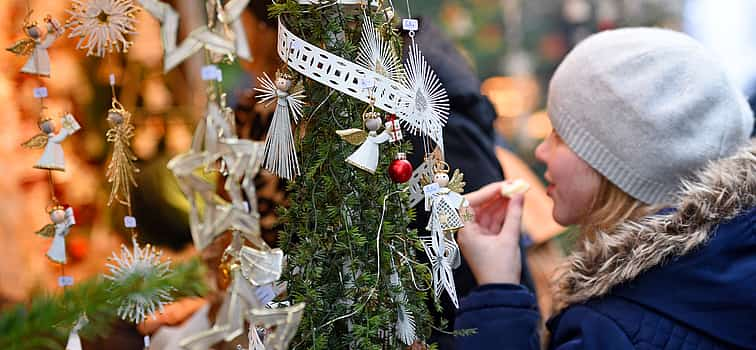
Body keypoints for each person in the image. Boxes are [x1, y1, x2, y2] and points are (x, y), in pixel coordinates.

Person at [454, 27, 755, 349]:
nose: (541, 152)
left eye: (561, 135)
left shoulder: (610, 331)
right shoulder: (725, 265)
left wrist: (497, 293)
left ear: (617, 164)